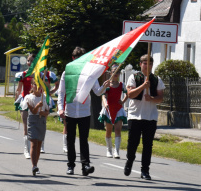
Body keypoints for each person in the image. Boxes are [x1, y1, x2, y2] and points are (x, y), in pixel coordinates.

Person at [57, 47, 104, 176]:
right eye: (77, 59)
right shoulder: (67, 72)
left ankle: (85, 165)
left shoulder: (90, 73)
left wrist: (105, 86)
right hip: (70, 111)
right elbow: (61, 92)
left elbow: (97, 91)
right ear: (73, 59)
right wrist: (60, 108)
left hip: (84, 112)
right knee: (70, 140)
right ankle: (71, 165)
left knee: (84, 140)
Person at [124, 55, 165, 181]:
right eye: (144, 63)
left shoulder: (157, 79)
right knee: (133, 142)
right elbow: (130, 94)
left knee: (148, 145)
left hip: (150, 117)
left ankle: (145, 170)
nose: (147, 66)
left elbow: (161, 98)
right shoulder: (134, 77)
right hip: (135, 115)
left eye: (150, 63)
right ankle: (130, 160)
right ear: (140, 64)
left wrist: (152, 98)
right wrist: (143, 86)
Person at [22, 79, 50, 176]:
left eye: (39, 85)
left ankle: (36, 164)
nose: (37, 87)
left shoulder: (44, 97)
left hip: (41, 121)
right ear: (32, 86)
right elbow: (33, 111)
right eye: (35, 84)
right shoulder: (29, 97)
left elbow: (47, 111)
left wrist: (44, 113)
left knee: (39, 144)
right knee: (33, 143)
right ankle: (34, 166)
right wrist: (37, 106)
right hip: (33, 120)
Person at [99, 65, 127, 159]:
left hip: (118, 109)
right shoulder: (107, 84)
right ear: (111, 73)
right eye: (114, 71)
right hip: (108, 109)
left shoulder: (121, 85)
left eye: (118, 72)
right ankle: (109, 150)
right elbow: (103, 95)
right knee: (109, 130)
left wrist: (123, 101)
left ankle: (117, 151)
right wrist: (105, 103)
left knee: (118, 129)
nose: (116, 74)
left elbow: (128, 93)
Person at [14, 53, 34, 159]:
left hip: (36, 101)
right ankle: (26, 149)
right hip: (25, 101)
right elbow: (19, 88)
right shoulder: (22, 74)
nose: (29, 63)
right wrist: (16, 98)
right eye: (28, 60)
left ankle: (35, 147)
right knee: (26, 125)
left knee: (35, 126)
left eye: (32, 60)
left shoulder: (40, 75)